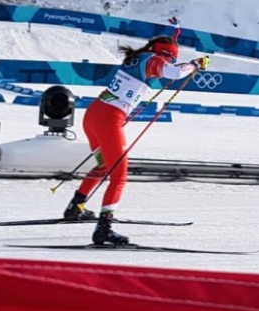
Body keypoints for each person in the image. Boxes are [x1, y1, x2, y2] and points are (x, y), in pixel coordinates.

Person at [64, 23, 210, 247]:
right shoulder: (153, 60)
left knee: (104, 166)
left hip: (94, 115)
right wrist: (195, 64)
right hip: (108, 120)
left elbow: (166, 70)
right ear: (165, 54)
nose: (169, 63)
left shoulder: (141, 58)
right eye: (171, 58)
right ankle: (104, 229)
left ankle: (76, 207)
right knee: (119, 177)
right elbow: (174, 72)